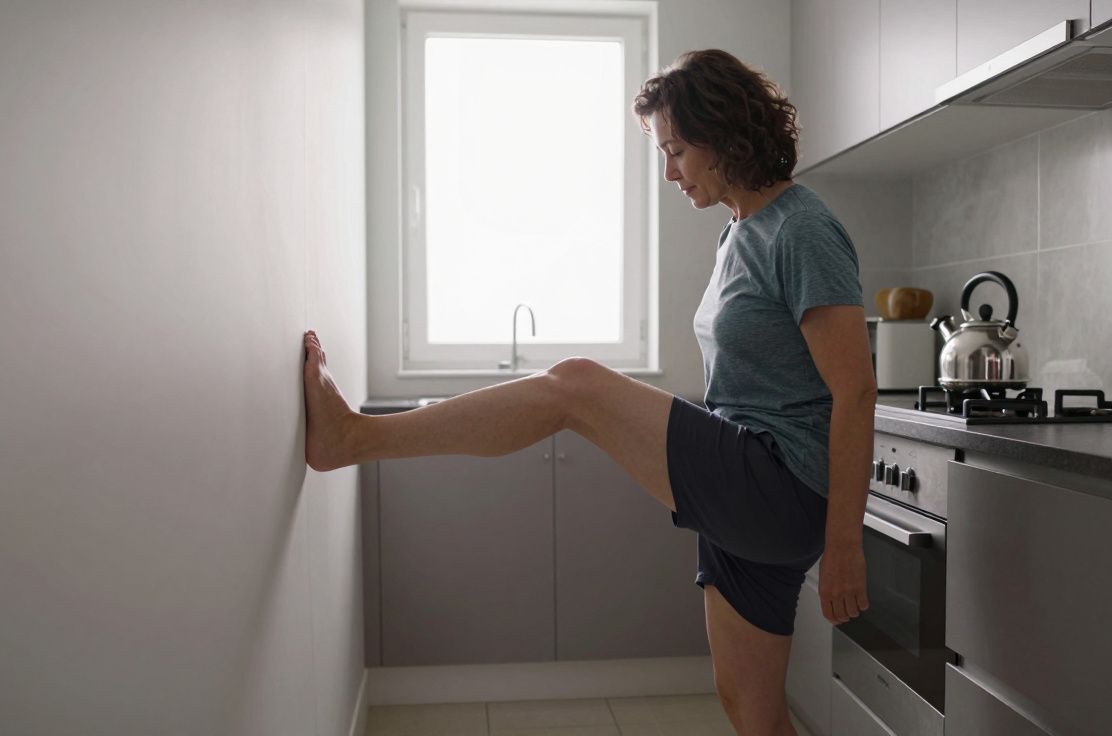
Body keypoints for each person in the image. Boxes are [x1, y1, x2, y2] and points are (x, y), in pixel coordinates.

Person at [302, 48, 874, 736]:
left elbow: (856, 390)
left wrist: (845, 543)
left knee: (572, 388)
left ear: (726, 135)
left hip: (779, 484)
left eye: (678, 150)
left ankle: (352, 439)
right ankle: (351, 438)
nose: (669, 171)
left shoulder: (802, 228)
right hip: (747, 478)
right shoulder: (739, 233)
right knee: (750, 712)